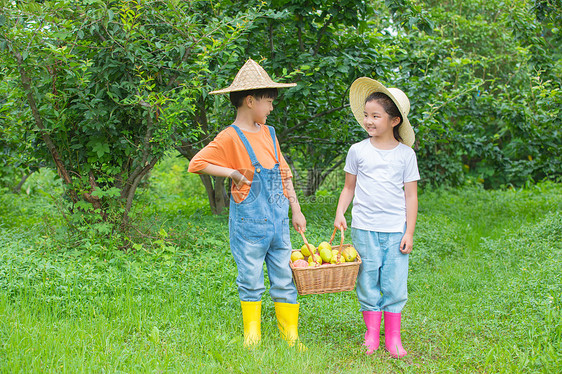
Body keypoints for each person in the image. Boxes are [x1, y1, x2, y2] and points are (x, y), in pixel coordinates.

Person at [188, 59, 307, 348]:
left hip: (278, 223)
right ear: (251, 100)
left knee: (284, 278)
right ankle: (252, 336)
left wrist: (296, 209)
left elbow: (284, 172)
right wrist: (231, 172)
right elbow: (197, 163)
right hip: (249, 226)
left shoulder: (270, 133)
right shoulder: (229, 137)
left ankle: (290, 337)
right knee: (251, 279)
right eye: (268, 102)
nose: (271, 108)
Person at [333, 77, 419, 358]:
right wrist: (340, 213)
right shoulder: (358, 151)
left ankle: (393, 336)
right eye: (366, 115)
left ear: (394, 121)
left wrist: (409, 232)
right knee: (367, 280)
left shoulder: (405, 155)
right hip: (364, 228)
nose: (369, 121)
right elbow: (349, 187)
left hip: (395, 229)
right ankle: (372, 333)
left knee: (394, 282)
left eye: (376, 116)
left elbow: (410, 196)